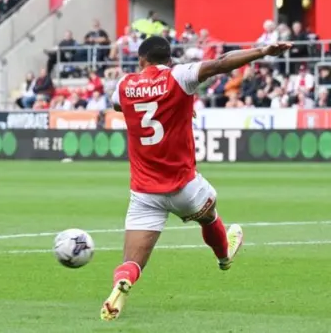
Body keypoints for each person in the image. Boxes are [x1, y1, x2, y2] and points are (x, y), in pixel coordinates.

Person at [100, 36, 292, 321]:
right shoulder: (180, 76)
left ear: (141, 60)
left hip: (144, 193)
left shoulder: (124, 85)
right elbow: (221, 64)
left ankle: (121, 284)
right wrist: (262, 51)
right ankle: (223, 257)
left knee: (131, 261)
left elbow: (118, 105)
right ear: (169, 59)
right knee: (210, 215)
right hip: (184, 187)